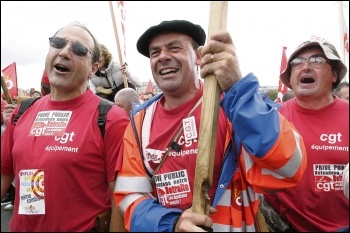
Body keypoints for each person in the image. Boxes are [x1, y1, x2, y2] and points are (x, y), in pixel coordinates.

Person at [113, 19, 307, 232]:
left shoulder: (235, 108)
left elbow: (290, 166)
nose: (163, 57)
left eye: (174, 47)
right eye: (154, 52)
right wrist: (172, 223)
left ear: (198, 57)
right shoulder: (139, 122)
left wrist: (237, 89)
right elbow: (130, 197)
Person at [1, 21, 130, 232]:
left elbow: (121, 200)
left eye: (79, 50)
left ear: (93, 68)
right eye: (58, 43)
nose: (65, 52)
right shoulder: (22, 111)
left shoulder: (111, 119)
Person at [264, 36, 349, 231]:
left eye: (317, 60)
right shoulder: (272, 117)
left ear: (334, 74)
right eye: (297, 63)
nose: (306, 67)